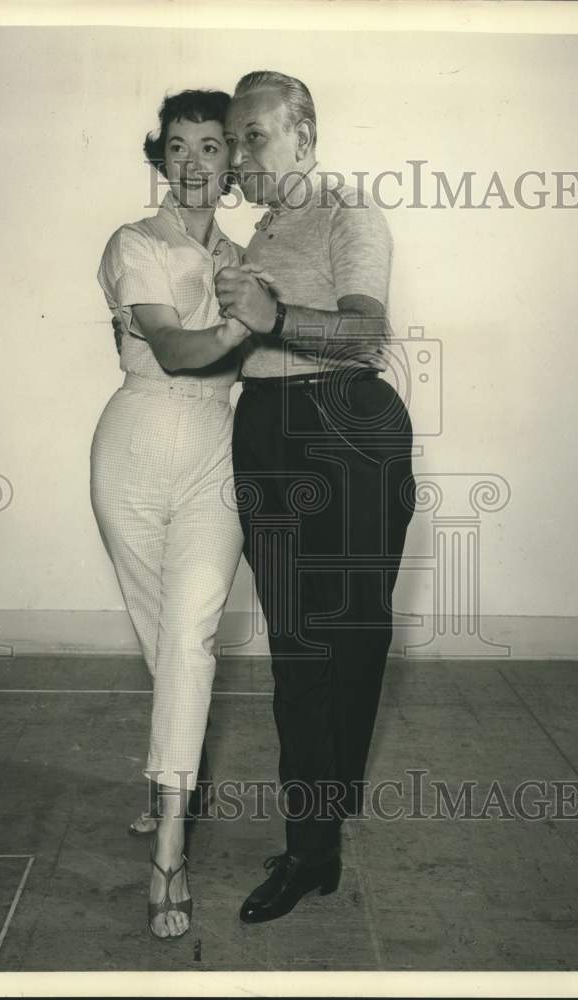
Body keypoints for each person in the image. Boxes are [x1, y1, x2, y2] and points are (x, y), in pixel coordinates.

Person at [215, 70, 417, 924]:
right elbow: (243, 339)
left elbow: (367, 330)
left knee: (346, 641)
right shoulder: (256, 232)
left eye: (253, 136)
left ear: (304, 134)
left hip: (344, 427)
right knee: (297, 645)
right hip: (267, 429)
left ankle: (312, 845)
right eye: (233, 140)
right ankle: (314, 840)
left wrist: (273, 317)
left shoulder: (346, 208)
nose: (239, 155)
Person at [90, 88, 260, 939]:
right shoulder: (135, 244)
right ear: (161, 157)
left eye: (213, 147)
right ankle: (169, 782)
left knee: (191, 636)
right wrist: (246, 323)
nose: (196, 164)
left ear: (233, 161)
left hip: (214, 453)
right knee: (163, 638)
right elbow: (175, 348)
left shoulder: (246, 252)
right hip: (134, 443)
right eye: (181, 147)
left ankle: (168, 850)